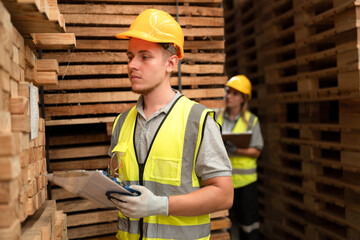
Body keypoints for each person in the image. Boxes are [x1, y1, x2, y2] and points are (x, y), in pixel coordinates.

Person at [107, 9, 234, 240]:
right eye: (130, 57)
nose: (132, 65)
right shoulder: (121, 123)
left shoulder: (197, 121)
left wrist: (159, 205)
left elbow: (224, 195)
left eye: (144, 57)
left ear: (171, 64)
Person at [216, 75, 264, 240]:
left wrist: (237, 150)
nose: (229, 96)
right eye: (228, 91)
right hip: (223, 182)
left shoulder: (252, 120)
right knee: (223, 226)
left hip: (245, 184)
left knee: (248, 226)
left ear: (243, 98)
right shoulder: (216, 117)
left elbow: (256, 151)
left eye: (235, 93)